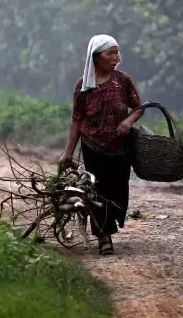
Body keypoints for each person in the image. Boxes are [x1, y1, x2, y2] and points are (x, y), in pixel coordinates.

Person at [59, 34, 144, 255]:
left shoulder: (123, 80)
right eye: (110, 53)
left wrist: (127, 121)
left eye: (116, 52)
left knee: (118, 190)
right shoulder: (83, 86)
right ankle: (103, 237)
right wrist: (68, 152)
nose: (115, 57)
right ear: (96, 57)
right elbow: (77, 120)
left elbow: (138, 107)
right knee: (96, 193)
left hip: (120, 148)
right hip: (93, 147)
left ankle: (109, 223)